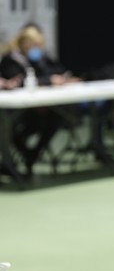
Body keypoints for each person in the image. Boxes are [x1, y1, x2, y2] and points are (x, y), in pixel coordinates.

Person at [0, 25, 83, 174]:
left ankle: (33, 153)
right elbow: (20, 81)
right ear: (26, 44)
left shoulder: (35, 59)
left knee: (57, 117)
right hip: (14, 110)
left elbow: (52, 71)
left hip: (34, 108)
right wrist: (49, 80)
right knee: (15, 127)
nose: (38, 49)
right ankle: (21, 156)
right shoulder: (10, 60)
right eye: (35, 46)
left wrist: (60, 78)